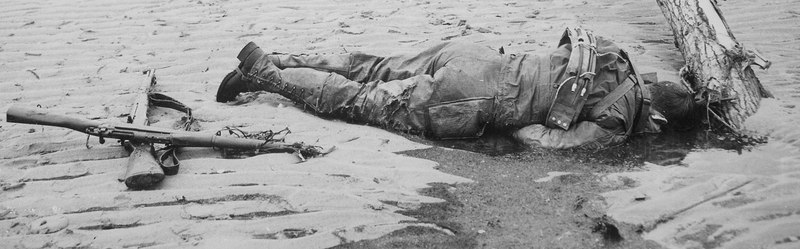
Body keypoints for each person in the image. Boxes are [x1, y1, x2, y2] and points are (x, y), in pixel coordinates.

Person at [215, 28, 696, 149]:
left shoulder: (615, 56)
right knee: (361, 103)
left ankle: (281, 56)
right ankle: (265, 73)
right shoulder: (616, 123)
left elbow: (564, 48)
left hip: (475, 54)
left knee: (374, 67)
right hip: (477, 98)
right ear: (657, 119)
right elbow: (537, 142)